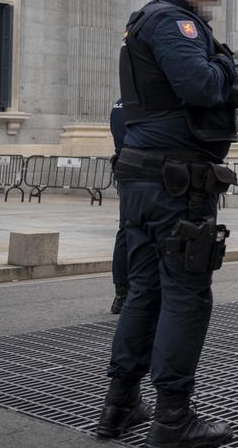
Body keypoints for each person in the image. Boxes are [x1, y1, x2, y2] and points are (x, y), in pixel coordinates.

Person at [99, 0, 238, 445]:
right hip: (173, 183)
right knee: (185, 296)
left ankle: (120, 407)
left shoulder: (155, 19)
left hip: (147, 178)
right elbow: (201, 87)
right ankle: (174, 418)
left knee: (146, 293)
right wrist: (231, 70)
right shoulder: (172, 21)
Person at [109, 99, 128, 314]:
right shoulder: (145, 98)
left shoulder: (119, 103)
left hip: (124, 167)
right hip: (144, 170)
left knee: (125, 230)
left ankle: (121, 294)